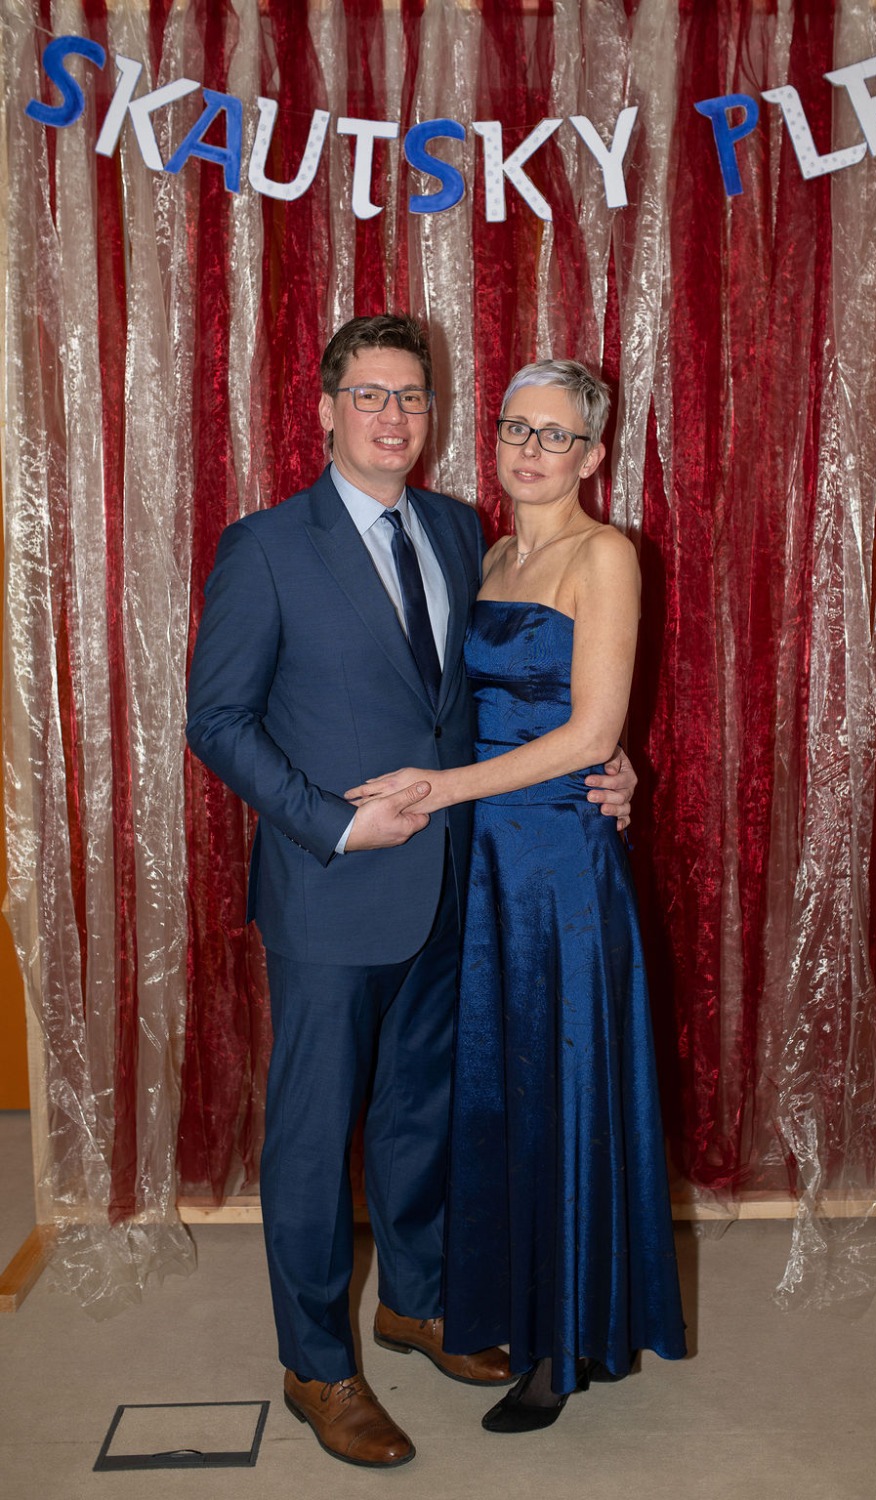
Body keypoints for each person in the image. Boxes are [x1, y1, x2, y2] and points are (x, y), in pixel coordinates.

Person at [185, 317, 636, 1469]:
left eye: (414, 398)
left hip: (456, 884)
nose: (394, 417)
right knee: (312, 1135)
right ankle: (316, 1365)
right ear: (325, 410)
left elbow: (505, 697)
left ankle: (416, 1304)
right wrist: (336, 823)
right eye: (371, 396)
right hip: (332, 890)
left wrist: (610, 757)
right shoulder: (265, 547)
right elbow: (217, 720)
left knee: (421, 1114)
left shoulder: (457, 529)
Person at [346, 359, 687, 1435]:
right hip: (479, 861)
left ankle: (563, 1344)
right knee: (498, 1090)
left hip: (555, 866)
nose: (531, 450)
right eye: (515, 429)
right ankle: (523, 1304)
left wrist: (450, 786)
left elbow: (591, 733)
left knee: (559, 1085)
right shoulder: (486, 553)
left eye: (556, 434)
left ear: (592, 454)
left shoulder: (605, 554)